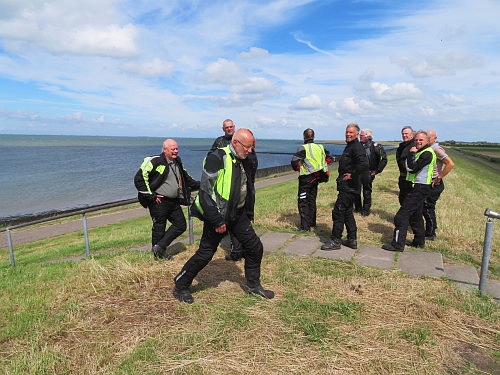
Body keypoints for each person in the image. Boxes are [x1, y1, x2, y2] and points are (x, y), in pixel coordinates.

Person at [172, 129, 274, 304]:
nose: (250, 150)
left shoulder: (246, 159)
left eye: (252, 147)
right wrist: (216, 220)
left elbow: (247, 185)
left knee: (255, 247)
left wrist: (248, 211)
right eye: (248, 147)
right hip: (218, 215)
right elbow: (204, 193)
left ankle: (253, 285)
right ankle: (180, 285)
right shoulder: (217, 158)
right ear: (235, 143)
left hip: (238, 214)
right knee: (205, 254)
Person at [134, 139, 200, 260]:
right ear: (164, 150)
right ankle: (158, 256)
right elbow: (139, 178)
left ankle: (159, 247)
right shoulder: (156, 161)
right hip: (158, 202)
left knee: (180, 225)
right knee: (159, 228)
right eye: (173, 149)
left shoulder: (177, 161)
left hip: (173, 201)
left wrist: (200, 184)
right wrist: (151, 196)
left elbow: (185, 176)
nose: (176, 151)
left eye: (177, 148)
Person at [210, 119, 259, 261]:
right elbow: (212, 159)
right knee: (232, 218)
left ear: (234, 127)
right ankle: (237, 250)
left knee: (243, 216)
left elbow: (252, 161)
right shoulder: (219, 142)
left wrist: (249, 179)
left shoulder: (244, 141)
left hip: (244, 184)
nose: (229, 129)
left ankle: (243, 248)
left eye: (231, 127)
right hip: (227, 189)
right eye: (226, 127)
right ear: (223, 129)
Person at [382, 130, 437, 252]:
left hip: (419, 188)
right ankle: (419, 241)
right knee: (416, 216)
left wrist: (411, 154)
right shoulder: (421, 151)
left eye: (421, 140)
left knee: (401, 216)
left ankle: (397, 244)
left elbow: (411, 168)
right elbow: (408, 167)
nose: (417, 142)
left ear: (427, 141)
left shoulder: (427, 153)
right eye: (416, 140)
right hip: (415, 187)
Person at [321, 123, 369, 250]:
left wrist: (352, 174)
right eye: (347, 132)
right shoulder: (350, 146)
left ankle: (335, 240)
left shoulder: (356, 147)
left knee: (338, 211)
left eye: (351, 132)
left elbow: (364, 164)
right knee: (347, 212)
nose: (348, 134)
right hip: (346, 185)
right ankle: (352, 240)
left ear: (357, 134)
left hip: (350, 186)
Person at [290, 128, 331, 231]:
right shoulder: (320, 147)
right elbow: (329, 158)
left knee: (303, 201)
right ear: (313, 136)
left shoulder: (302, 148)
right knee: (312, 200)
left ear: (304, 137)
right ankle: (312, 223)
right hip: (317, 178)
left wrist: (300, 169)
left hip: (306, 179)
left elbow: (294, 162)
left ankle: (305, 227)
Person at [423, 129, 455, 240]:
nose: (427, 139)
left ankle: (431, 234)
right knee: (425, 207)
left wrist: (439, 177)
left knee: (427, 207)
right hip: (429, 181)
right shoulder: (429, 148)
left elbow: (450, 163)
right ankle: (431, 228)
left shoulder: (436, 149)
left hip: (434, 183)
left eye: (429, 137)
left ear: (435, 138)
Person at [354, 128, 387, 216]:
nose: (359, 137)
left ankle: (366, 210)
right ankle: (357, 208)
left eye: (361, 135)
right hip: (357, 172)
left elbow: (384, 159)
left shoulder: (375, 146)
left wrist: (377, 171)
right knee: (356, 191)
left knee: (367, 192)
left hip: (368, 172)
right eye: (360, 135)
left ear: (368, 136)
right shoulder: (357, 145)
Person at [396, 126, 415, 205]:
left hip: (411, 178)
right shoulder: (402, 146)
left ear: (412, 135)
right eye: (403, 134)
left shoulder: (414, 146)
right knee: (402, 198)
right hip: (403, 176)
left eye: (406, 134)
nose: (404, 135)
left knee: (408, 200)